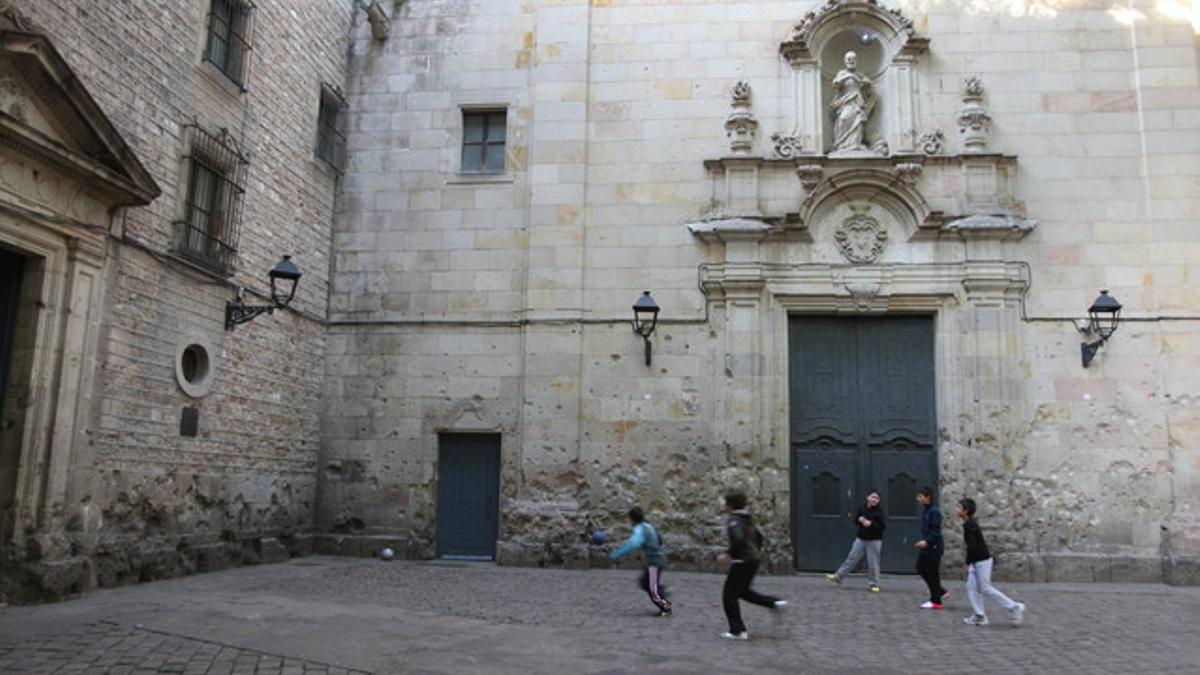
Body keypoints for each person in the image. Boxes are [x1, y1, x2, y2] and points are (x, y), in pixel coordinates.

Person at [718, 489, 787, 640]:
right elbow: (759, 537)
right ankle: (774, 603)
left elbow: (738, 539)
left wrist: (728, 553)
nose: (723, 505)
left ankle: (737, 631)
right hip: (753, 559)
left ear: (730, 505)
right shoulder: (748, 518)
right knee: (743, 592)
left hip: (742, 560)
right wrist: (755, 552)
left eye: (725, 502)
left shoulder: (734, 520)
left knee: (729, 595)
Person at [957, 498, 1026, 626]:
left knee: (985, 588)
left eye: (958, 507)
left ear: (965, 511)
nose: (956, 509)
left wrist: (968, 563)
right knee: (971, 586)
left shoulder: (969, 525)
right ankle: (979, 615)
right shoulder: (969, 523)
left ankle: (1014, 607)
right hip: (977, 560)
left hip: (981, 560)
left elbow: (972, 546)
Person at [609, 506, 672, 616]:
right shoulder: (648, 526)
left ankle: (665, 607)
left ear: (632, 519)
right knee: (644, 582)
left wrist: (616, 554)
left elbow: (633, 544)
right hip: (656, 560)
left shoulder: (639, 529)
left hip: (655, 562)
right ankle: (662, 591)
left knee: (652, 589)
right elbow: (659, 539)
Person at [825, 489, 886, 592]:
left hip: (874, 540)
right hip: (861, 538)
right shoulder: (862, 508)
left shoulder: (879, 512)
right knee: (851, 558)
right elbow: (856, 520)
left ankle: (874, 584)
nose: (874, 500)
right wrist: (860, 520)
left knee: (873, 563)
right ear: (867, 497)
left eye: (877, 498)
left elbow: (882, 526)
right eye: (872, 497)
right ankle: (838, 576)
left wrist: (871, 524)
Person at [830, 50, 875, 152]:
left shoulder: (860, 75)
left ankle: (855, 144)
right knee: (842, 119)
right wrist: (849, 76)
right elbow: (834, 84)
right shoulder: (841, 73)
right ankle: (842, 144)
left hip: (857, 102)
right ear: (845, 61)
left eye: (853, 59)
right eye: (849, 59)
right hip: (846, 102)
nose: (851, 61)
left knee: (858, 122)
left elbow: (870, 89)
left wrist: (866, 83)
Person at [915, 486, 948, 609]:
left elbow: (936, 531)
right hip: (927, 546)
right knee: (921, 567)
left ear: (927, 497)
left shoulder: (934, 512)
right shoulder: (926, 510)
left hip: (933, 547)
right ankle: (939, 591)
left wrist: (927, 542)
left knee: (933, 573)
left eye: (920, 497)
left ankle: (936, 600)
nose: (918, 499)